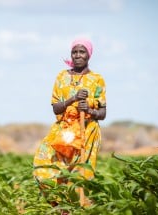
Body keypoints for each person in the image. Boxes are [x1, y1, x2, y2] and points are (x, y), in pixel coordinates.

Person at [33, 38, 106, 206]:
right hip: (63, 130)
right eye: (74, 52)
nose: (78, 55)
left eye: (82, 52)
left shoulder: (97, 79)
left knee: (79, 174)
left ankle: (76, 207)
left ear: (89, 55)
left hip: (86, 131)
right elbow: (55, 108)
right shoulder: (61, 77)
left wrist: (88, 110)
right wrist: (73, 99)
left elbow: (103, 113)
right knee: (43, 165)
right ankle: (58, 206)